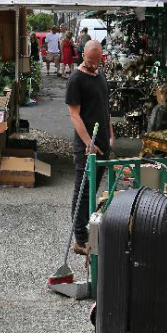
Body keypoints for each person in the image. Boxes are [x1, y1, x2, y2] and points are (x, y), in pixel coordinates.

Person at [65, 40, 115, 257]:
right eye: (89, 60)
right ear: (82, 54)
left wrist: (111, 131)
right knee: (83, 192)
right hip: (87, 145)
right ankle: (80, 239)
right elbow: (74, 115)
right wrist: (88, 142)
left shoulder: (100, 74)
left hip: (103, 141)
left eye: (97, 61)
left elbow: (104, 106)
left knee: (92, 190)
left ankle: (87, 231)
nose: (93, 64)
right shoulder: (76, 79)